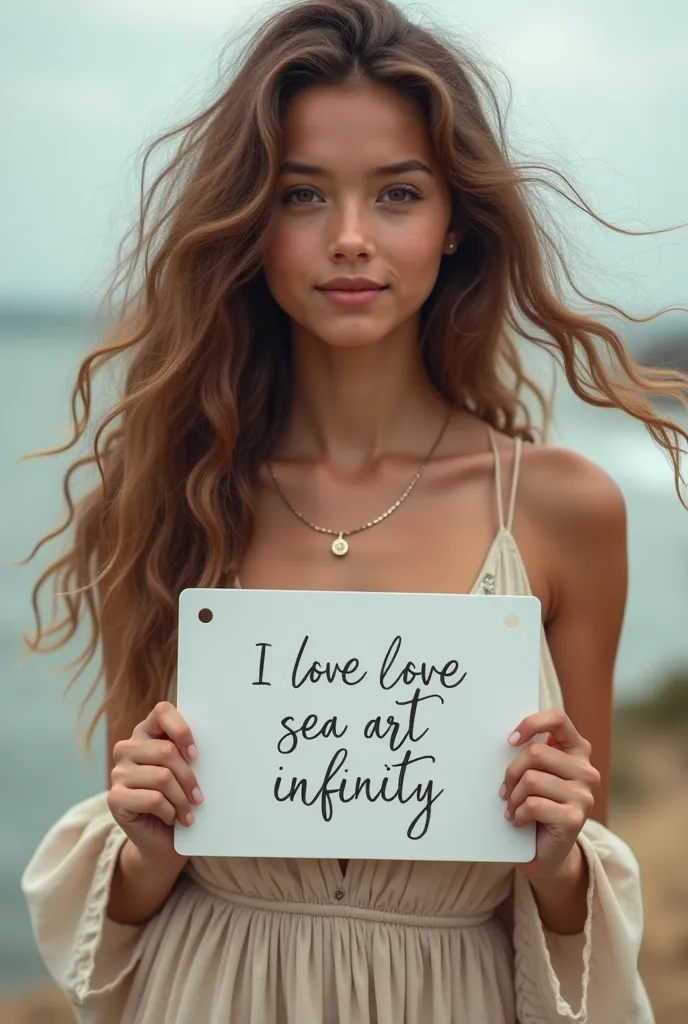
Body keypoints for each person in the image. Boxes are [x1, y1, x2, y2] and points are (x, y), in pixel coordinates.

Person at [19, 0, 687, 1021]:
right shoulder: (160, 498)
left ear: (454, 219)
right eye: (300, 195)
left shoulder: (561, 509)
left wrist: (558, 855)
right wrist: (142, 845)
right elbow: (124, 924)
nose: (348, 239)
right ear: (250, 219)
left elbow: (572, 890)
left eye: (397, 194)